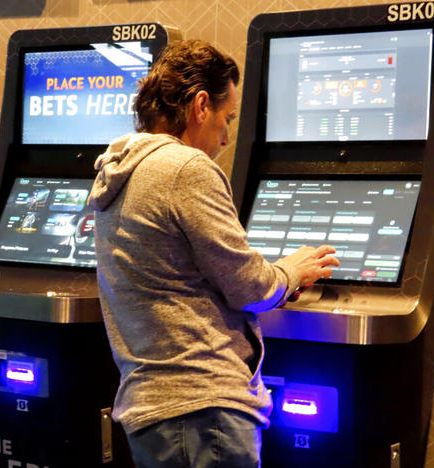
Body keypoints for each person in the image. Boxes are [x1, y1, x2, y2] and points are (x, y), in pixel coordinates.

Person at [88, 39, 339, 468]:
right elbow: (251, 288)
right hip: (201, 409)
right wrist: (292, 271)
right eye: (227, 119)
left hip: (155, 407)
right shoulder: (186, 167)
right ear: (201, 105)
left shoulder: (123, 167)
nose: (225, 138)